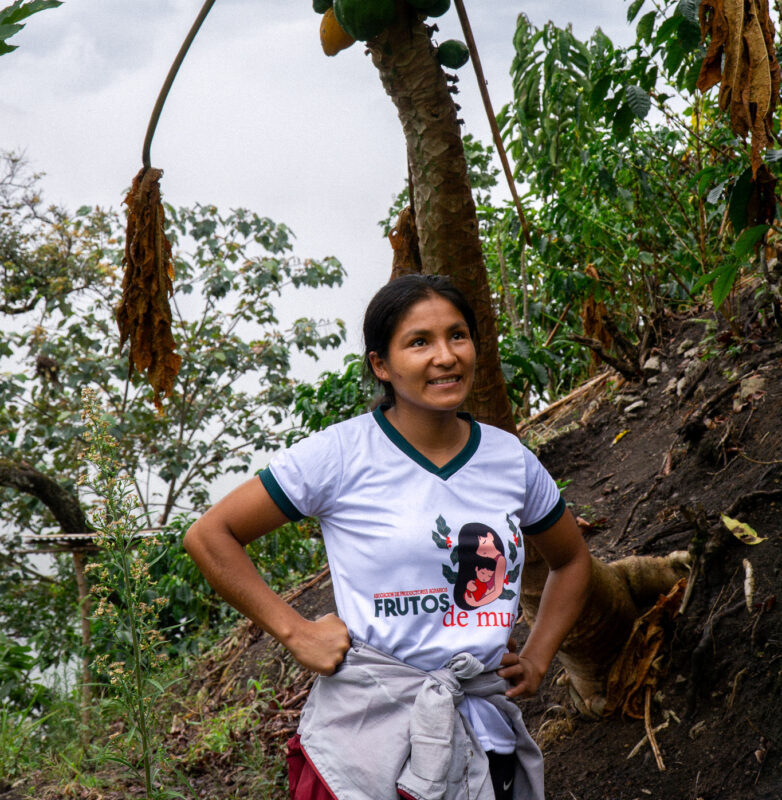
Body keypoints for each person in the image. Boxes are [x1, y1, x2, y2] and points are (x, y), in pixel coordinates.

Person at [184, 274, 591, 800]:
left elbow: (572, 561)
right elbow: (210, 534)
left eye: (457, 336)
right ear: (382, 364)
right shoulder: (341, 455)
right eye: (419, 342)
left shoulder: (509, 459)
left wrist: (536, 660)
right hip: (368, 738)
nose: (445, 356)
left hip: (484, 735)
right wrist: (294, 632)